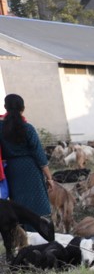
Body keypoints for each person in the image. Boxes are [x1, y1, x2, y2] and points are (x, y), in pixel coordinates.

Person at [0, 94, 54, 223]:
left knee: (18, 202)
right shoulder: (28, 128)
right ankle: (42, 231)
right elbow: (39, 153)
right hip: (31, 169)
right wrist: (49, 177)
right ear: (23, 108)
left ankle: (24, 233)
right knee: (38, 203)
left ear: (5, 107)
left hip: (11, 170)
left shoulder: (0, 128)